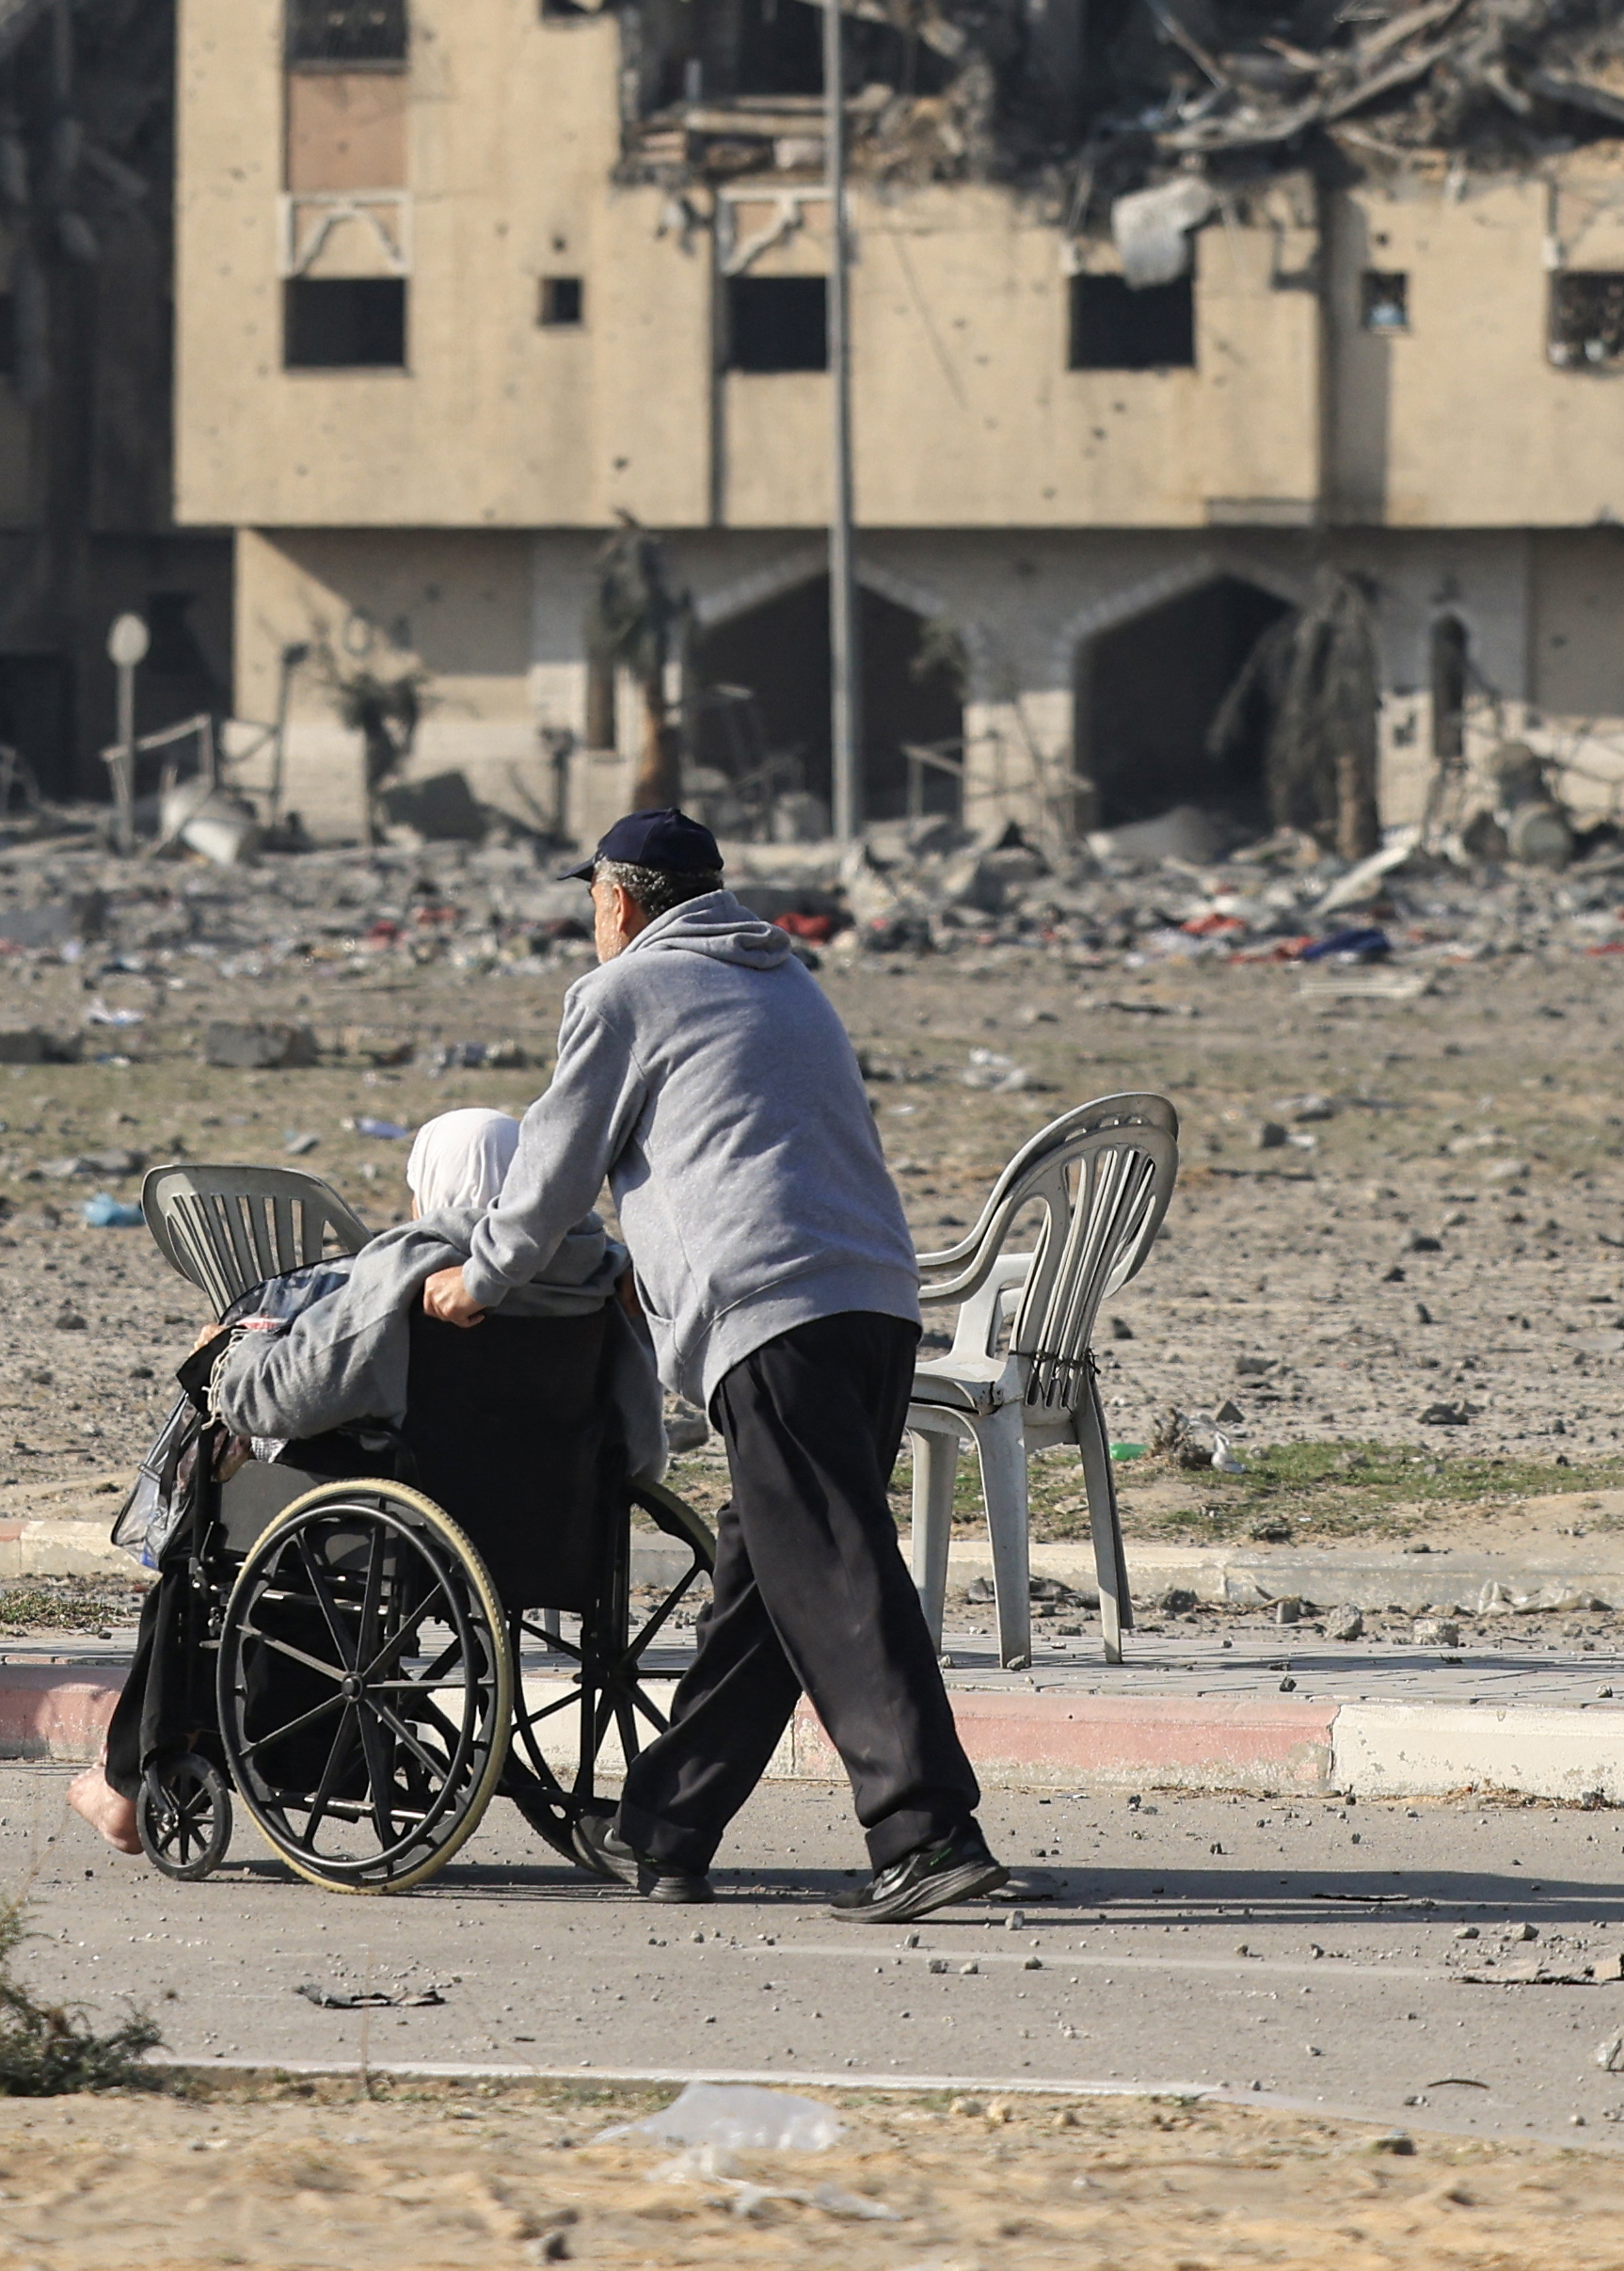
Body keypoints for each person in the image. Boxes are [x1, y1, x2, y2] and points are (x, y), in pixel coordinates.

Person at [432, 807, 1016, 1922]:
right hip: (874, 1306)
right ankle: (665, 1828)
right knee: (767, 1585)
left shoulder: (621, 993)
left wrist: (481, 1279)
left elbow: (556, 1163)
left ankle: (922, 1827)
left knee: (834, 1567)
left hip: (769, 1310)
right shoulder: (787, 979)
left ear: (617, 899)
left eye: (591, 901)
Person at [71, 1108, 659, 1857]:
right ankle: (296, 1747)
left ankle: (127, 1781)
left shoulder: (412, 1266)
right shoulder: (596, 1273)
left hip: (403, 1531)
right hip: (552, 1529)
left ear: (429, 1189)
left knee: (202, 1540)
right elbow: (640, 1448)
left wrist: (226, 1359)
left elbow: (286, 1391)